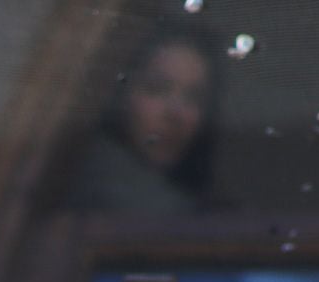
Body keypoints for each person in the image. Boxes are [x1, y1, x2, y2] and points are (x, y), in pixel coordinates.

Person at [39, 28, 221, 216]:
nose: (176, 114)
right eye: (156, 89)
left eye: (194, 97)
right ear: (120, 95)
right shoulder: (89, 181)